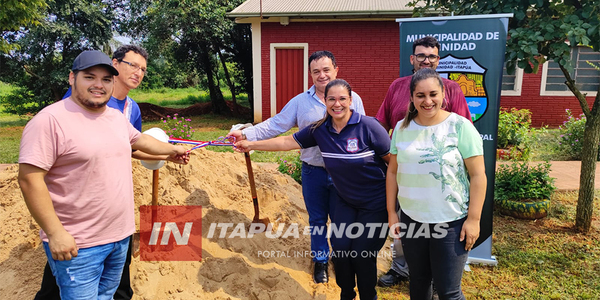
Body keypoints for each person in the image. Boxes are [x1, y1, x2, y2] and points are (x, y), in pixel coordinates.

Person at [18, 50, 189, 300]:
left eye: (106, 79)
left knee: (108, 297)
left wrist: (172, 150)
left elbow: (140, 140)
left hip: (118, 238)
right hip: (80, 245)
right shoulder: (50, 121)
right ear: (72, 78)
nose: (99, 85)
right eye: (90, 77)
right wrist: (55, 233)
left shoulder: (115, 118)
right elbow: (29, 179)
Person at [235, 79, 390, 300]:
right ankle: (347, 294)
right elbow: (286, 142)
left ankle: (368, 296)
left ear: (351, 100)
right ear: (324, 101)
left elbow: (393, 163)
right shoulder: (320, 130)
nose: (337, 104)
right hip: (345, 202)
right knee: (342, 252)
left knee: (362, 255)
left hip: (375, 204)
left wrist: (395, 205)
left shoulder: (369, 127)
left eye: (342, 99)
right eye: (332, 99)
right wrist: (250, 143)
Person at [227, 51, 365, 283]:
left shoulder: (353, 99)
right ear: (310, 74)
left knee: (343, 220)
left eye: (326, 70)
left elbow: (361, 133)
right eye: (316, 71)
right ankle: (320, 259)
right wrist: (245, 134)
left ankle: (342, 259)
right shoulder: (300, 102)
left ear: (336, 70)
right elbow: (276, 125)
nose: (322, 75)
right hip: (313, 172)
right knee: (317, 219)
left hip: (343, 174)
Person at [375, 36, 472, 287]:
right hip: (406, 176)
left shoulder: (452, 89)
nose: (426, 60)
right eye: (421, 56)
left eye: (432, 56)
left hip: (440, 186)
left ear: (438, 60)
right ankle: (400, 268)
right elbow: (380, 125)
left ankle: (441, 279)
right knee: (404, 225)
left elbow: (463, 133)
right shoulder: (397, 87)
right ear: (412, 58)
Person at [386, 68, 486, 300]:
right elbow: (392, 172)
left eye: (433, 94)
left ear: (443, 95)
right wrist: (392, 212)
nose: (427, 101)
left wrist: (473, 219)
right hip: (412, 219)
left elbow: (478, 175)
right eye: (420, 95)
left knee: (449, 291)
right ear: (411, 97)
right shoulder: (401, 128)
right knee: (419, 284)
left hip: (450, 222)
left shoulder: (460, 127)